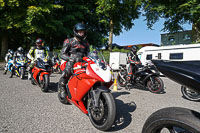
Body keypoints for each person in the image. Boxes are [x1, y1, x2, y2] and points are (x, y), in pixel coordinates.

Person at [59, 23, 90, 91]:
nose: (82, 33)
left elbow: (88, 54)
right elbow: (62, 54)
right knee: (67, 71)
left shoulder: (86, 43)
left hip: (82, 61)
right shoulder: (69, 41)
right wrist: (70, 59)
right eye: (80, 32)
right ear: (76, 32)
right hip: (70, 61)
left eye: (83, 32)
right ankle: (62, 88)